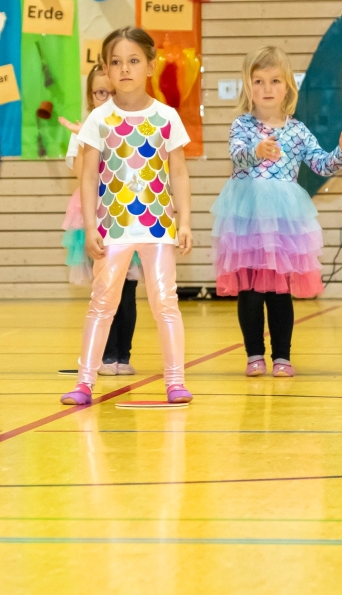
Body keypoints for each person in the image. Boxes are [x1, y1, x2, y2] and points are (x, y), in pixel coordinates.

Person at [61, 27, 194, 407]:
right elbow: (88, 177)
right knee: (102, 302)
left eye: (133, 61)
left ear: (150, 66)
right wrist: (90, 226)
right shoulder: (99, 120)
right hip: (113, 227)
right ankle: (85, 382)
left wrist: (184, 221)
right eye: (116, 62)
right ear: (105, 68)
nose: (124, 69)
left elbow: (179, 173)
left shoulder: (166, 117)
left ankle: (175, 381)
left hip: (157, 227)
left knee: (165, 302)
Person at [211, 45, 342, 377]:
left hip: (282, 222)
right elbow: (237, 156)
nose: (267, 88)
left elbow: (320, 164)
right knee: (250, 291)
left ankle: (282, 356)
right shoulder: (242, 125)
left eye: (275, 81)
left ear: (287, 86)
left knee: (279, 291)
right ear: (248, 86)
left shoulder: (297, 131)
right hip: (247, 219)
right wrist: (257, 150)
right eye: (258, 81)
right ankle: (254, 355)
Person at [61, 64, 139, 374]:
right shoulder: (84, 131)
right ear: (91, 97)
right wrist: (86, 140)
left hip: (127, 214)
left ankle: (123, 355)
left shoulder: (134, 127)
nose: (106, 98)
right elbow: (84, 176)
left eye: (112, 92)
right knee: (104, 288)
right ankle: (106, 355)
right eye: (100, 93)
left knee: (128, 290)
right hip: (95, 215)